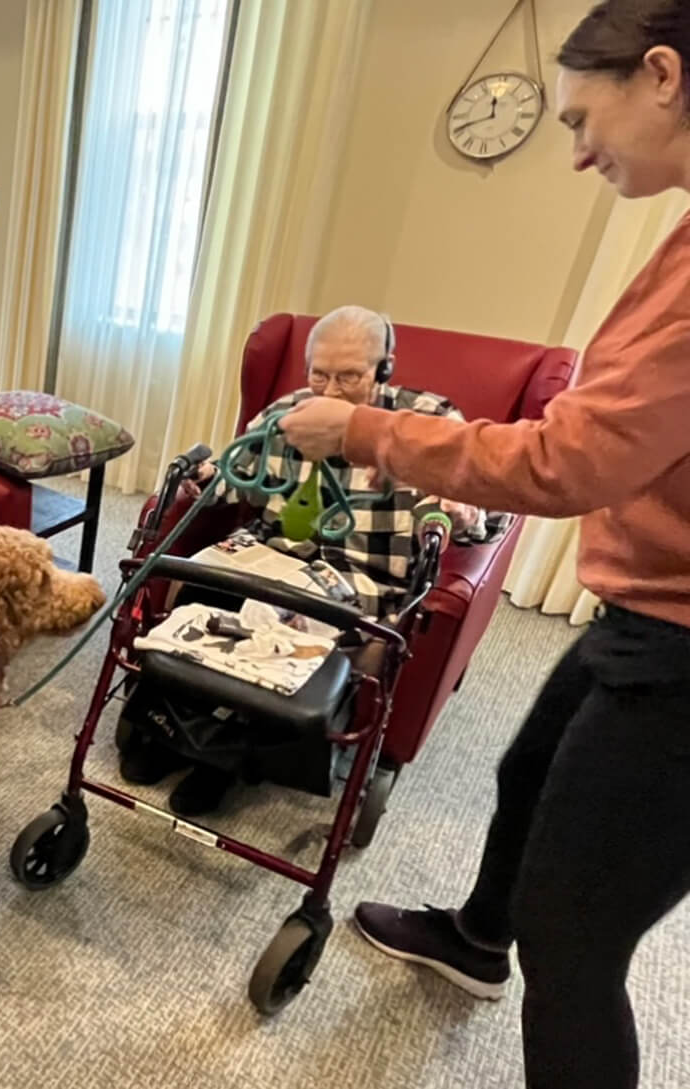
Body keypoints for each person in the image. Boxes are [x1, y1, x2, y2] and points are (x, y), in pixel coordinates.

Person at [279, 6, 690, 1086]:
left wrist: (364, 434)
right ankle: (471, 940)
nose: (576, 151)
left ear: (660, 74)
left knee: (577, 937)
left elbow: (565, 463)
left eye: (579, 117)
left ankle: (517, 952)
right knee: (526, 770)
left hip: (683, 649)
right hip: (644, 610)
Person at [119, 305, 507, 816]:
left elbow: (491, 517)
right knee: (199, 596)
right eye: (319, 374)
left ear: (384, 367)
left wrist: (462, 510)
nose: (330, 391)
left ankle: (221, 760)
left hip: (361, 577)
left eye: (349, 376)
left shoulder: (428, 422)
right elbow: (236, 473)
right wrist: (202, 478)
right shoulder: (289, 413)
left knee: (278, 640)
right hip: (270, 553)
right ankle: (171, 732)